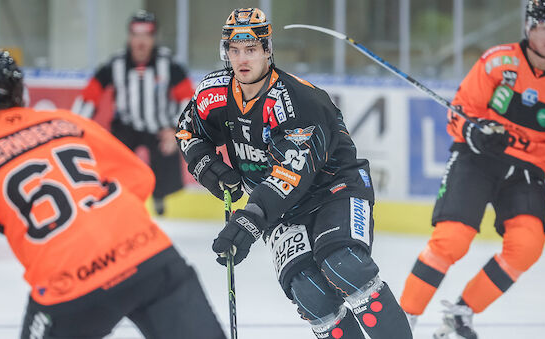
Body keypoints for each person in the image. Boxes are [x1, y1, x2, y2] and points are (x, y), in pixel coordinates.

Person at [175, 7, 412, 339]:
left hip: (335, 188)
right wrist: (209, 168)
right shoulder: (213, 93)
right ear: (225, 52)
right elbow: (188, 133)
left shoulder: (297, 100)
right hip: (281, 210)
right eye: (234, 50)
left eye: (252, 49)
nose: (242, 59)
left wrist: (250, 218)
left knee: (344, 265)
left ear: (268, 50)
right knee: (311, 293)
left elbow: (292, 173)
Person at [0, 50, 225, 339]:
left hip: (69, 285)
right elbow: (139, 178)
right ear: (19, 91)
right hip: (148, 255)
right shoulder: (65, 121)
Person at [400, 1, 545, 338]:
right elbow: (461, 112)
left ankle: (462, 312)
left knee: (527, 246)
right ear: (529, 28)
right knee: (451, 240)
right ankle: (402, 318)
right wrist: (475, 132)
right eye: (544, 26)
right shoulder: (498, 60)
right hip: (477, 159)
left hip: (526, 171)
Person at [73, 9, 194, 215]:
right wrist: (76, 126)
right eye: (136, 35)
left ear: (154, 38)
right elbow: (91, 94)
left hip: (160, 127)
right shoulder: (116, 64)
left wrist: (176, 129)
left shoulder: (168, 64)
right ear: (129, 37)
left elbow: (189, 99)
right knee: (113, 160)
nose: (141, 42)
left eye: (146, 35)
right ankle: (115, 197)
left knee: (167, 154)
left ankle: (160, 195)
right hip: (126, 125)